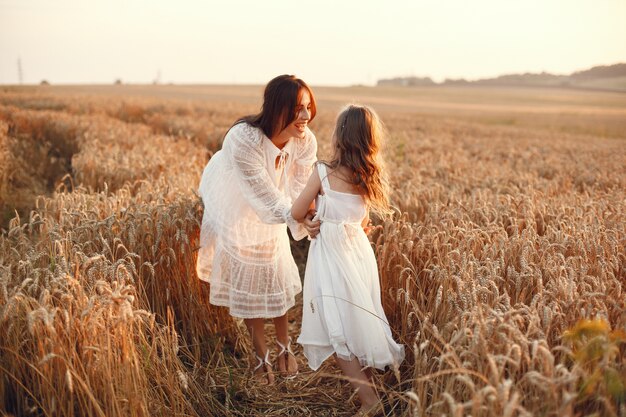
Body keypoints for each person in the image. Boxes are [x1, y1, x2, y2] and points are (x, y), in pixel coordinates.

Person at [196, 75, 320, 385]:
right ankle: (260, 357)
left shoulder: (305, 140)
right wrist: (297, 216)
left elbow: (299, 187)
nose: (305, 116)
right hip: (236, 205)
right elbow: (263, 194)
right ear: (276, 108)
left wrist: (308, 213)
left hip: (276, 205)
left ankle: (283, 347)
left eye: (307, 107)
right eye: (296, 109)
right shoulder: (242, 138)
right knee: (250, 281)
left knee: (275, 271)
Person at [292, 104, 404, 415]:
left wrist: (311, 218)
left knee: (336, 328)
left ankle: (370, 403)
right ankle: (372, 393)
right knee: (356, 320)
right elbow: (362, 222)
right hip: (359, 254)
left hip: (331, 255)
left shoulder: (323, 173)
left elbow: (296, 212)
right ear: (370, 140)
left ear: (339, 136)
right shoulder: (369, 178)